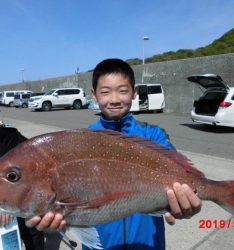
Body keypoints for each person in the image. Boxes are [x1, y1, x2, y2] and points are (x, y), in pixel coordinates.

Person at [26, 58, 202, 249]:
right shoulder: (82, 140)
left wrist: (189, 201)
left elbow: (182, 177)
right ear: (93, 95)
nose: (115, 99)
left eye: (123, 91)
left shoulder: (153, 135)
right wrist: (59, 222)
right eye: (105, 92)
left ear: (134, 93)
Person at [0, 124, 45, 250]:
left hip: (28, 165)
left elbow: (10, 172)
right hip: (7, 169)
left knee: (27, 219)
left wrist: (4, 206)